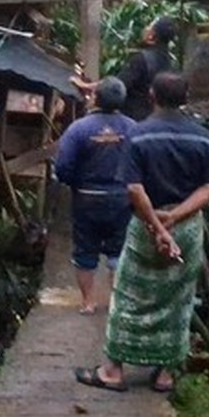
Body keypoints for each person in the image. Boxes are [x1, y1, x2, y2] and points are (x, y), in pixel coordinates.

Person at [74, 71, 209, 393]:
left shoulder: (139, 136)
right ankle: (165, 373)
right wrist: (177, 217)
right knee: (178, 298)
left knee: (129, 294)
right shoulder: (203, 137)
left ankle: (113, 371)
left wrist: (156, 223)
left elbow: (135, 189)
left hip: (145, 225)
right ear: (185, 99)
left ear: (152, 96)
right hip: (186, 228)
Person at [53, 77, 136, 315]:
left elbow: (63, 167)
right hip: (123, 198)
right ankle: (117, 304)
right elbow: (142, 162)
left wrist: (75, 184)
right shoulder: (132, 128)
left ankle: (88, 302)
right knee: (119, 250)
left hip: (87, 198)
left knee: (85, 251)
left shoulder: (78, 129)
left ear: (95, 98)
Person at [71, 17, 178, 121]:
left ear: (151, 36)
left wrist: (86, 86)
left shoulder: (141, 59)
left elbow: (117, 85)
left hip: (135, 117)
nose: (146, 29)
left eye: (150, 27)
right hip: (156, 117)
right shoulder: (170, 61)